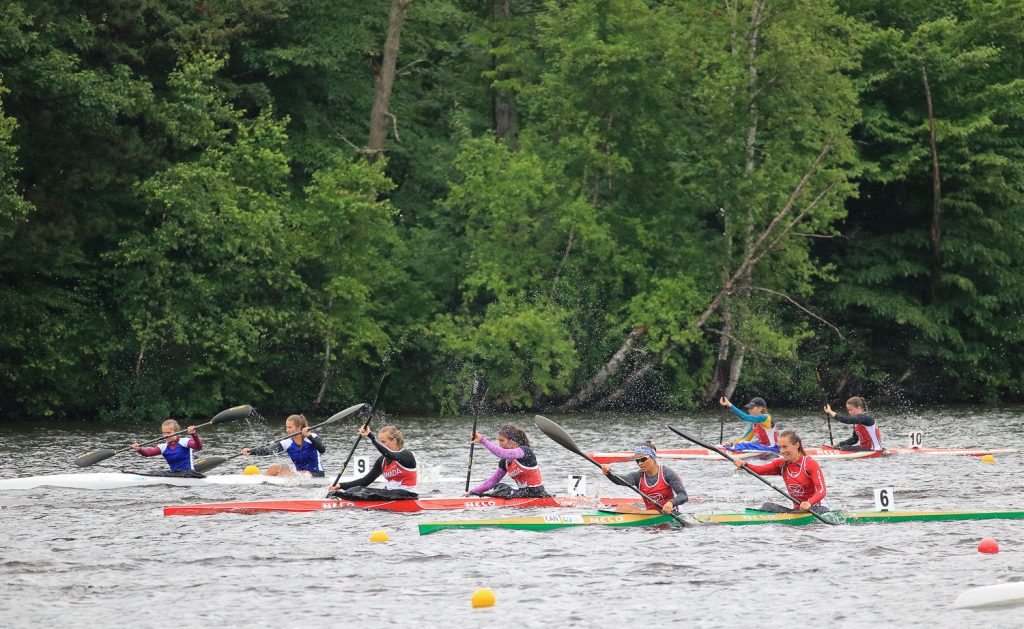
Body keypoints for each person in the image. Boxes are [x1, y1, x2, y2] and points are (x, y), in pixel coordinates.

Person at [733, 430, 829, 513]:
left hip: (817, 509)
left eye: (785, 447)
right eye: (780, 447)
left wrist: (809, 502)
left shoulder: (810, 464)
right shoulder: (781, 464)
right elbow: (759, 470)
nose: (782, 451)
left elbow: (822, 490)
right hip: (797, 511)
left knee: (809, 510)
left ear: (796, 445)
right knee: (767, 506)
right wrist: (745, 464)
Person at [327, 425, 418, 500]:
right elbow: (365, 481)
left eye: (383, 442)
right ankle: (335, 497)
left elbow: (388, 454)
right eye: (380, 442)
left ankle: (338, 498)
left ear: (394, 441)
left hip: (407, 495)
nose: (381, 444)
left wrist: (370, 435)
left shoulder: (406, 455)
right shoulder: (381, 461)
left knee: (360, 492)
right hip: (390, 494)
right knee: (356, 489)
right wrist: (340, 485)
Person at [599, 443, 688, 514]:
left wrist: (671, 503)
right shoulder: (638, 476)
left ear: (653, 458)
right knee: (622, 507)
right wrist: (609, 473)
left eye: (643, 459)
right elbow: (621, 480)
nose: (640, 463)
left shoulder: (667, 473)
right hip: (649, 513)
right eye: (637, 460)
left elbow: (683, 495)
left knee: (635, 512)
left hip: (669, 512)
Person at [467, 424, 550, 499]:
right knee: (498, 486)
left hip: (537, 493)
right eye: (498, 441)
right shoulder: (505, 462)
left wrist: (482, 440)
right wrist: (472, 492)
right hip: (522, 494)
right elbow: (491, 482)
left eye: (502, 440)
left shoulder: (525, 452)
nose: (500, 444)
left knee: (503, 490)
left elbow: (501, 453)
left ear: (512, 441)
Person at [241, 414, 326, 477]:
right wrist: (251, 451)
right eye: (286, 427)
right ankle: (259, 481)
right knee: (274, 468)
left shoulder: (312, 437)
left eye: (290, 427)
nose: (287, 430)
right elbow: (269, 450)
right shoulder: (287, 442)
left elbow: (322, 449)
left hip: (316, 474)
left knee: (288, 473)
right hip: (300, 475)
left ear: (298, 427)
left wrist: (309, 436)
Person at [131, 419, 202, 475]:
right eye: (164, 433)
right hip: (175, 475)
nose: (166, 435)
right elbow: (148, 453)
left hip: (189, 474)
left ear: (176, 432)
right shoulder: (163, 447)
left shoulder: (185, 442)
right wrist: (139, 449)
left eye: (169, 433)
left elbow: (198, 447)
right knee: (154, 472)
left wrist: (194, 434)